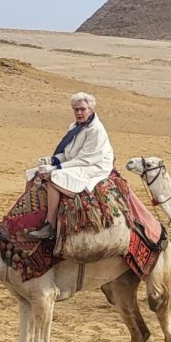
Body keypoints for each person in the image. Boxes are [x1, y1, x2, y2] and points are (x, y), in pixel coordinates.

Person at [26, 92, 115, 241]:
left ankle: (50, 226)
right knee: (32, 174)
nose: (79, 113)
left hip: (93, 165)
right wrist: (51, 160)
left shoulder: (96, 130)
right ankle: (29, 217)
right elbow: (69, 154)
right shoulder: (74, 127)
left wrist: (56, 168)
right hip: (78, 162)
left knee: (53, 178)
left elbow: (84, 159)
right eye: (76, 109)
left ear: (91, 109)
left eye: (82, 109)